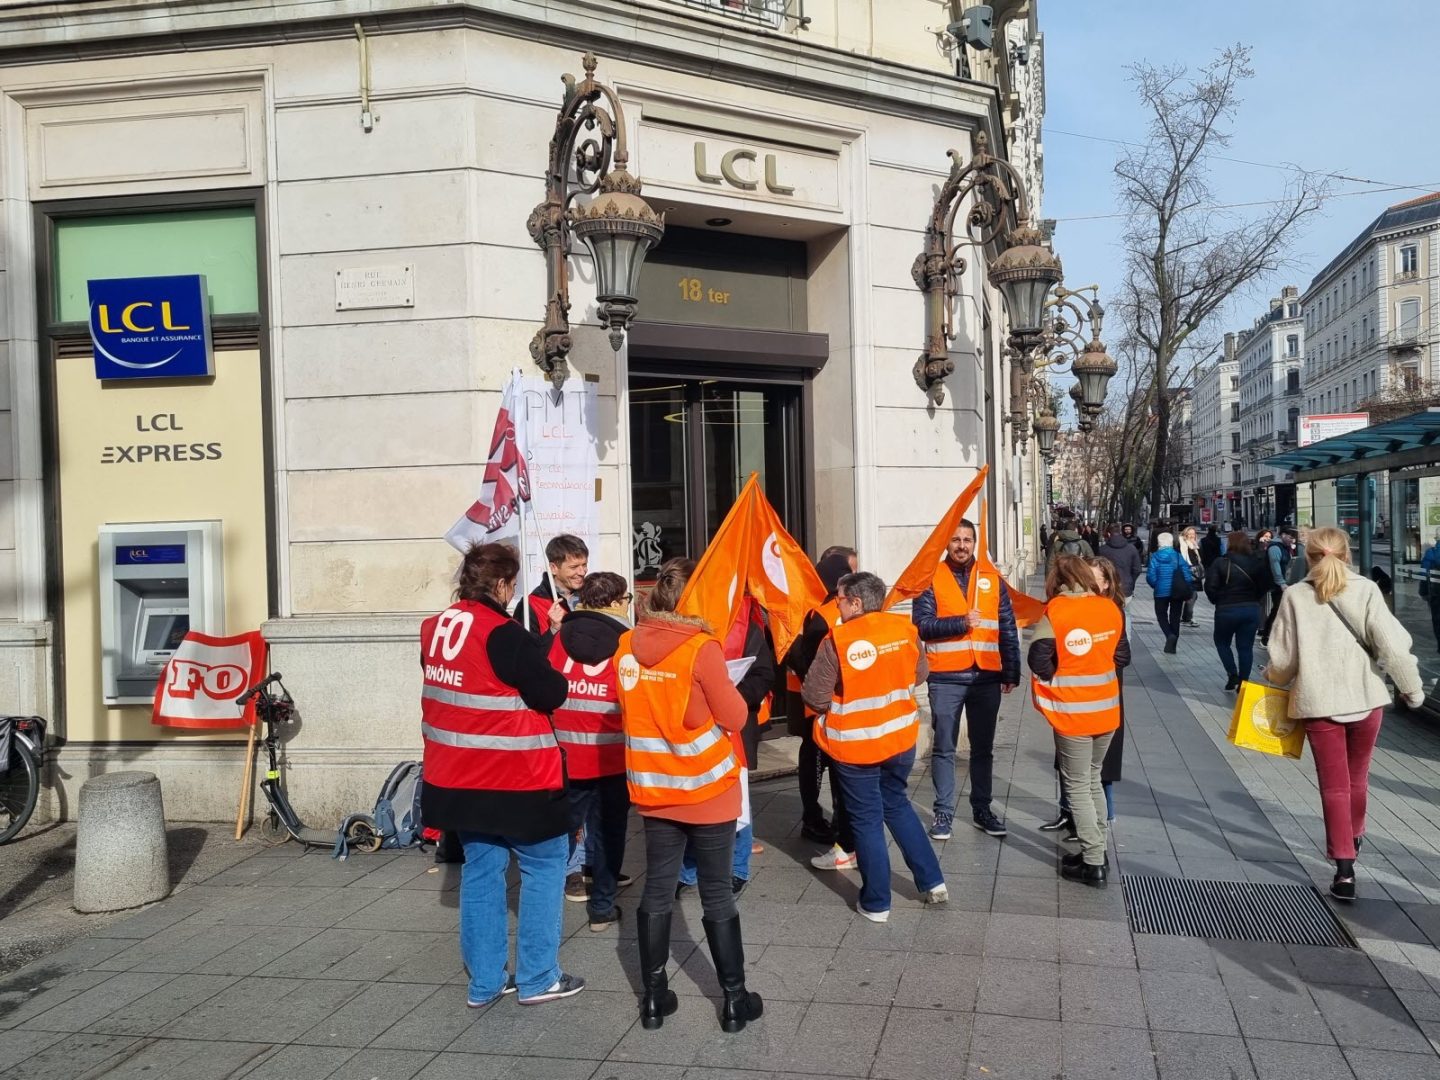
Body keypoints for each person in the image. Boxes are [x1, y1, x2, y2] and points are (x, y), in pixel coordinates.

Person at [419, 542, 582, 1007]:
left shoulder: (434, 628)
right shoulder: (502, 632)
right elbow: (549, 693)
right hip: (516, 776)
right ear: (503, 583)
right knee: (545, 866)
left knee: (482, 870)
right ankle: (537, 977)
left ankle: (486, 982)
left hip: (456, 776)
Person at [614, 558, 762, 1033]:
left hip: (655, 787)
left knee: (657, 886)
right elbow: (736, 717)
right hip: (706, 788)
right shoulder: (702, 649)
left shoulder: (625, 647)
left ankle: (654, 999)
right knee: (717, 892)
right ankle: (734, 1001)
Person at [1263, 528, 1424, 901]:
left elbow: (1283, 661)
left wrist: (1270, 676)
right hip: (1365, 700)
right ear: (1346, 554)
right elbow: (1394, 648)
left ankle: (1344, 869)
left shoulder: (1296, 595)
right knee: (1358, 777)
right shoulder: (1367, 589)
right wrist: (1412, 691)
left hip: (1318, 703)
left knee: (1333, 786)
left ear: (1309, 555)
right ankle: (1354, 833)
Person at [805, 571, 947, 919]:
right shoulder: (903, 629)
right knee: (897, 806)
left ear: (855, 602)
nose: (835, 604)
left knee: (866, 819)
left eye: (838, 598)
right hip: (899, 739)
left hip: (856, 746)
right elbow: (920, 673)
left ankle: (876, 902)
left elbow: (814, 695)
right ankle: (933, 882)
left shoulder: (837, 639)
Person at [913, 518, 1022, 839]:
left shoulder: (991, 578)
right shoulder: (931, 578)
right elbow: (922, 625)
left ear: (975, 543)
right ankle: (943, 813)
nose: (962, 545)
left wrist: (1012, 670)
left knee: (983, 748)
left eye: (968, 540)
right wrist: (961, 622)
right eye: (956, 540)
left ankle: (982, 809)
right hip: (946, 677)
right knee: (944, 747)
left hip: (986, 676)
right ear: (946, 544)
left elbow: (1006, 626)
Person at [1028, 556, 1129, 888]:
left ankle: (1093, 860)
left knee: (1076, 786)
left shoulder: (1057, 611)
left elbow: (1038, 658)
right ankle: (1096, 847)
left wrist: (1062, 673)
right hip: (1107, 711)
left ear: (1057, 579)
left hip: (1074, 713)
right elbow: (1120, 655)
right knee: (1094, 780)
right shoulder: (1109, 609)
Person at [550, 572, 632, 932]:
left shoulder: (558, 638)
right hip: (610, 758)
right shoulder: (628, 642)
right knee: (609, 832)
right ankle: (601, 908)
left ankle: (548, 895)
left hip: (564, 756)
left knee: (560, 832)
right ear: (616, 602)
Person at [677, 597, 776, 895]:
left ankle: (738, 868)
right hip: (692, 724)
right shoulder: (684, 620)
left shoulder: (746, 624)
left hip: (734, 722)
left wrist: (733, 696)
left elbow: (764, 674)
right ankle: (688, 870)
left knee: (737, 796)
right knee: (693, 800)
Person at [786, 547, 860, 869]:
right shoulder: (825, 613)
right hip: (819, 705)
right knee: (817, 760)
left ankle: (823, 820)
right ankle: (816, 819)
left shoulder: (830, 609)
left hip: (821, 702)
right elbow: (811, 661)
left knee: (823, 762)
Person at [1203, 531, 1269, 692]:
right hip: (1250, 608)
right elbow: (1265, 584)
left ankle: (1232, 673)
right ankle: (1244, 682)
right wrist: (1255, 598)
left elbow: (1210, 586)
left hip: (1226, 609)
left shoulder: (1221, 562)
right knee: (1245, 647)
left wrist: (1218, 600)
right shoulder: (1257, 562)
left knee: (1222, 642)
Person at [524, 534, 590, 636]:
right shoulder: (531, 604)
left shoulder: (593, 596)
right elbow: (528, 649)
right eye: (574, 567)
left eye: (584, 565)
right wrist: (553, 630)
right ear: (553, 568)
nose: (582, 572)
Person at [1145, 531, 1193, 654]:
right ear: (1171, 543)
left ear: (1159, 543)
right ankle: (1173, 644)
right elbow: (1187, 575)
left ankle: (1169, 635)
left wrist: (1156, 585)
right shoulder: (1178, 556)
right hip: (1177, 590)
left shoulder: (1155, 557)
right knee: (1175, 617)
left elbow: (1151, 575)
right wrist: (1187, 587)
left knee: (1161, 615)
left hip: (1161, 592)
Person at [1259, 528, 1297, 646]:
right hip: (1278, 586)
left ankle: (1275, 636)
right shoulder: (1275, 548)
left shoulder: (1286, 547)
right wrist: (1281, 583)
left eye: (1294, 538)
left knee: (1280, 610)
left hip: (1285, 584)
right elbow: (1275, 566)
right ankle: (1266, 636)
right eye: (1290, 537)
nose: (1292, 540)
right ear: (1283, 535)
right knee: (1277, 610)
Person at [1096, 521, 1142, 602]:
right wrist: (1131, 581)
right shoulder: (1131, 548)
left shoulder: (1102, 550)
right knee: (1126, 613)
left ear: (1109, 534)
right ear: (1120, 532)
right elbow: (1137, 569)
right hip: (1126, 587)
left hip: (1109, 587)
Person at [1178, 526, 1205, 626]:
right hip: (1189, 573)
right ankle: (1187, 618)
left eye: (1193, 534)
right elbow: (1185, 559)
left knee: (1193, 596)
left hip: (1194, 573)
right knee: (1192, 596)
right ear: (1185, 534)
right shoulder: (1183, 544)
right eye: (1189, 534)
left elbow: (1198, 559)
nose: (1192, 536)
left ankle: (1185, 617)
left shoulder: (1194, 545)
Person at [1420, 531, 1440, 653]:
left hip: (1436, 594)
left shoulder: (1431, 553)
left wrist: (1423, 592)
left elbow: (1424, 575)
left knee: (1438, 620)